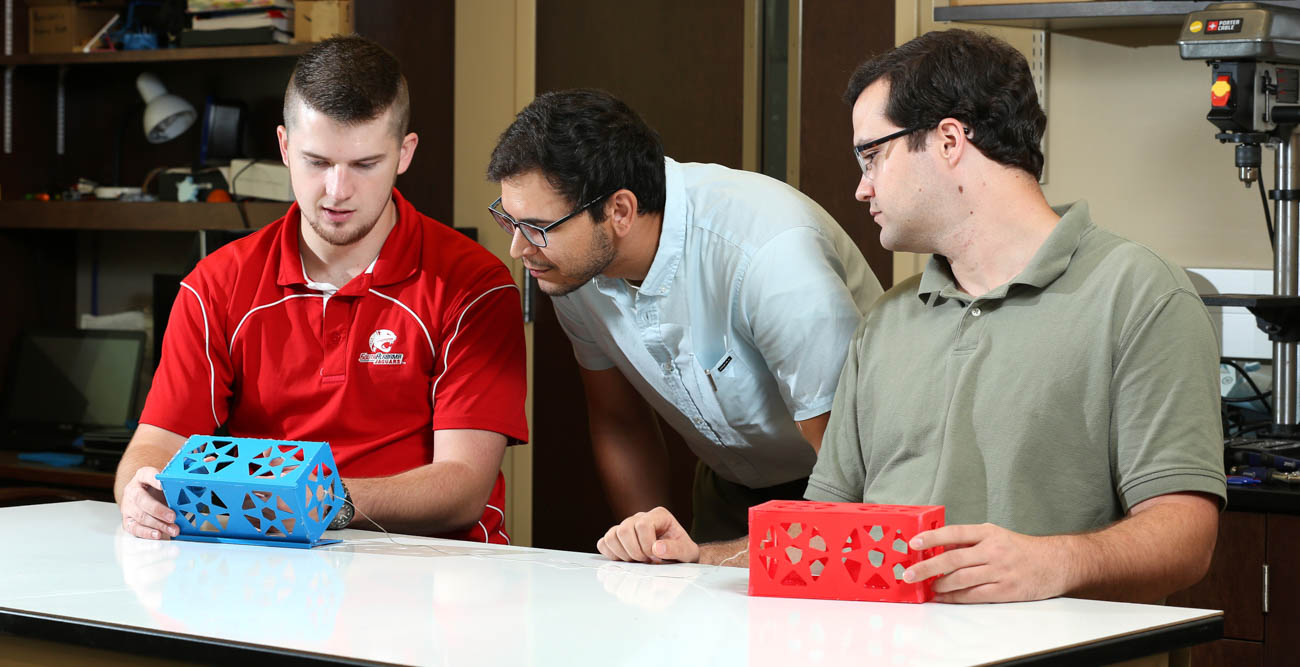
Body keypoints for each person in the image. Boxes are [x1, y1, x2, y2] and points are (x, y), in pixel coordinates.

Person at [596, 29, 1226, 605]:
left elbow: (1186, 536)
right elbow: (827, 534)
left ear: (950, 141)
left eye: (872, 156)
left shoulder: (1141, 294)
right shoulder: (887, 323)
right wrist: (694, 559)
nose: (861, 188)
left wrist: (1056, 562)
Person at [114, 35, 527, 544]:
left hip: (429, 575)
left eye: (364, 164)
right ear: (285, 147)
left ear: (405, 153)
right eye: (316, 162)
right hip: (262, 570)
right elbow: (154, 446)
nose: (337, 191)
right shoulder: (215, 284)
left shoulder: (475, 286)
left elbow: (464, 487)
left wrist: (318, 501)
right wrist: (139, 491)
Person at [487, 89, 882, 543]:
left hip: (843, 481)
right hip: (730, 482)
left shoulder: (769, 255)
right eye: (509, 221)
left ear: (619, 211)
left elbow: (847, 474)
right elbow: (620, 419)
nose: (518, 249)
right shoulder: (571, 268)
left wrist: (713, 558)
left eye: (537, 228)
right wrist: (648, 549)